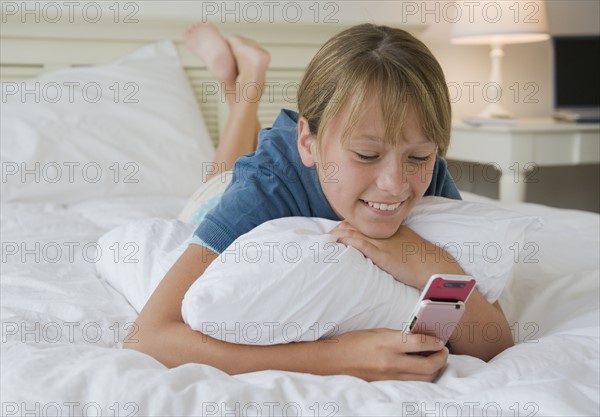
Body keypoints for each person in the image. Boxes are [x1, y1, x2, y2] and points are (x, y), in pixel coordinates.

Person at [125, 22, 514, 382]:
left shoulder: (431, 179)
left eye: (418, 157)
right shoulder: (267, 185)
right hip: (216, 197)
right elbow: (148, 338)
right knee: (222, 177)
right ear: (308, 142)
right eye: (366, 155)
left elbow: (492, 342)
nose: (396, 185)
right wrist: (335, 357)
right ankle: (244, 87)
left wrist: (431, 263)